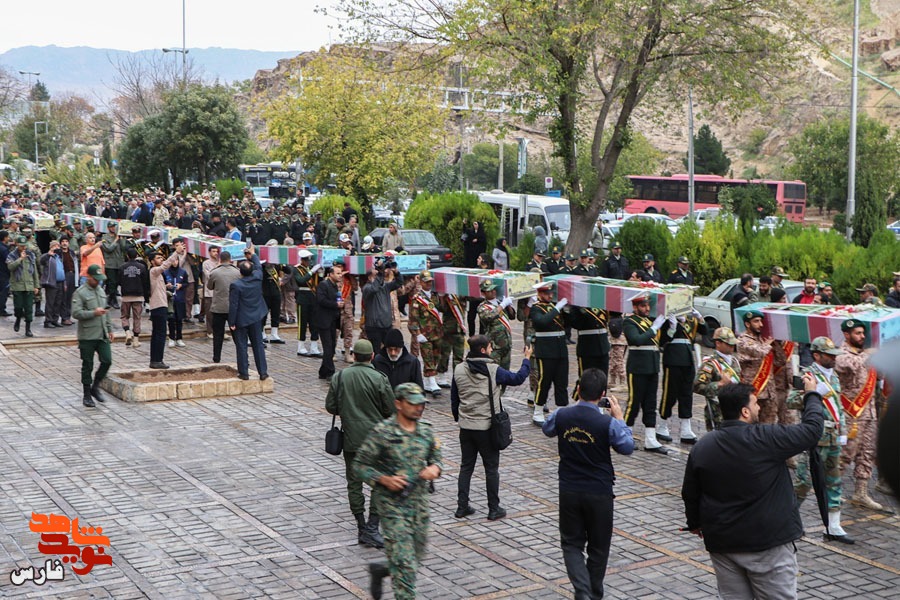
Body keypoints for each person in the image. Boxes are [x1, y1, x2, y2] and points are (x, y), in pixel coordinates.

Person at [681, 380, 824, 600]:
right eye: (755, 403)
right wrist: (812, 394)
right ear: (745, 411)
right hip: (768, 544)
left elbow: (690, 492)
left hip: (723, 543)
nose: (759, 407)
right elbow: (812, 430)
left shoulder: (703, 446)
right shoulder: (767, 438)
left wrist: (695, 523)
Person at [542, 368, 634, 600]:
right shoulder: (607, 423)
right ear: (602, 394)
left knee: (571, 544)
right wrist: (619, 418)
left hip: (569, 489)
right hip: (599, 491)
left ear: (578, 390)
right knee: (599, 548)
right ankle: (592, 593)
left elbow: (547, 429)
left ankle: (584, 592)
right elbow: (627, 447)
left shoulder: (562, 415)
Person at [355, 382, 443, 600]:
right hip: (392, 506)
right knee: (405, 564)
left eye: (421, 404)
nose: (418, 408)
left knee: (416, 556)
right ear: (398, 404)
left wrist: (435, 468)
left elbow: (436, 457)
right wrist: (384, 479)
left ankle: (383, 569)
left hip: (419, 504)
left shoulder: (426, 430)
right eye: (413, 404)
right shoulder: (383, 432)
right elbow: (359, 465)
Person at [326, 338, 396, 550]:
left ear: (354, 356)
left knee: (354, 484)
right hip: (376, 442)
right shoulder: (379, 378)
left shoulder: (340, 377)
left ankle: (361, 527)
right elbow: (390, 410)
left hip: (351, 440)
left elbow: (331, 406)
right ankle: (372, 528)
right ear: (372, 356)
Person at [451, 336, 532, 521]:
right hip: (487, 428)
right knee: (491, 469)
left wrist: (459, 418)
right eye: (489, 347)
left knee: (466, 467)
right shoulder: (493, 370)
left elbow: (454, 398)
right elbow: (518, 378)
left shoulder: (459, 369)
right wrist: (526, 359)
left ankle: (462, 507)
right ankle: (493, 508)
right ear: (482, 350)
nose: (491, 349)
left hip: (466, 427)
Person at [789, 336, 854, 544]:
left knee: (834, 481)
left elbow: (838, 407)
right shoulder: (807, 375)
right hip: (814, 438)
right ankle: (789, 521)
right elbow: (791, 401)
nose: (833, 358)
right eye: (829, 355)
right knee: (803, 482)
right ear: (816, 355)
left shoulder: (833, 376)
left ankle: (833, 526)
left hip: (833, 437)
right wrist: (813, 392)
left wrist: (843, 430)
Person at [834, 319, 886, 511]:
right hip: (851, 415)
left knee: (867, 453)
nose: (862, 336)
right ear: (846, 335)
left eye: (863, 333)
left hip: (870, 412)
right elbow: (850, 365)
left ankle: (860, 493)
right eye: (857, 333)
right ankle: (831, 490)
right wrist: (868, 354)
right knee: (845, 454)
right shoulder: (840, 353)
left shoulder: (865, 354)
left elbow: (879, 376)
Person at [623, 294, 668, 453]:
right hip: (638, 367)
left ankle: (650, 439)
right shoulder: (629, 322)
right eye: (643, 306)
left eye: (648, 305)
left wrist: (672, 327)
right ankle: (624, 434)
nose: (647, 308)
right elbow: (636, 339)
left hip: (652, 367)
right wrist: (654, 328)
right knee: (634, 402)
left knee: (650, 404)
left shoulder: (650, 321)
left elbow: (661, 342)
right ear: (635, 307)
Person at [658, 309, 707, 444]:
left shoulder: (691, 320)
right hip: (673, 360)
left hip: (688, 360)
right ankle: (662, 424)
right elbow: (662, 341)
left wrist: (700, 317)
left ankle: (686, 428)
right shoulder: (668, 319)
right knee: (670, 393)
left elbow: (705, 331)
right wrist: (672, 328)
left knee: (687, 394)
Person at [71, 264, 115, 408]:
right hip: (87, 335)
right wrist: (93, 313)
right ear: (88, 277)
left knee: (107, 360)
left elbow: (106, 311)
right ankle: (87, 394)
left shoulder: (101, 290)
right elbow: (76, 313)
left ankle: (95, 387)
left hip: (102, 334)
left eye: (99, 279)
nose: (97, 281)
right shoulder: (80, 293)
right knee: (87, 365)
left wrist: (110, 329)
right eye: (95, 278)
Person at [737, 309, 787, 424]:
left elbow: (781, 361)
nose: (761, 324)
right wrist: (768, 344)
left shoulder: (763, 340)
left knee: (768, 425)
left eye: (761, 321)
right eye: (756, 321)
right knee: (751, 425)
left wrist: (776, 344)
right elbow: (759, 352)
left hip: (769, 392)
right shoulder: (742, 340)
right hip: (754, 391)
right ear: (747, 324)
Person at [529, 280, 569, 424]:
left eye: (551, 293)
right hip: (545, 350)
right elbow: (542, 322)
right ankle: (538, 411)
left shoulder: (554, 306)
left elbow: (568, 324)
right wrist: (557, 308)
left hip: (560, 349)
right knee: (544, 381)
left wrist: (568, 311)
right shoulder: (536, 308)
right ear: (539, 294)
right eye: (546, 293)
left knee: (562, 382)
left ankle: (562, 410)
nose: (550, 295)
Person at [228, 251, 269, 381]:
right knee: (258, 345)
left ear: (240, 272)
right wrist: (253, 254)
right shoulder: (257, 277)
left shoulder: (236, 285)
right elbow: (258, 266)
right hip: (256, 317)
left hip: (241, 319)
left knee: (242, 346)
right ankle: (263, 372)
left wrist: (231, 322)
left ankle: (244, 372)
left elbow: (233, 305)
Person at [693, 327, 742, 431]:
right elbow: (697, 386)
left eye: (733, 344)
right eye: (728, 344)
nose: (732, 346)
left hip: (735, 409)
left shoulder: (734, 361)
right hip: (718, 412)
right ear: (718, 343)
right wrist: (719, 384)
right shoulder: (710, 363)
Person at [408, 270, 443, 395]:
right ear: (421, 282)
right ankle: (432, 381)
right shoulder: (417, 298)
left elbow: (441, 309)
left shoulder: (435, 296)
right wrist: (417, 334)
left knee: (436, 356)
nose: (428, 284)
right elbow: (413, 318)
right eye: (426, 282)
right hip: (425, 333)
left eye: (430, 282)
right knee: (428, 357)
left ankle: (428, 380)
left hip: (437, 332)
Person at [206, 251, 241, 363]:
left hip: (218, 307)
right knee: (237, 336)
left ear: (220, 259)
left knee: (218, 334)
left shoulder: (215, 272)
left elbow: (210, 286)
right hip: (233, 308)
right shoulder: (237, 272)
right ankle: (242, 357)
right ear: (230, 259)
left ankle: (216, 358)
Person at [362, 260, 404, 353]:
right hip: (374, 327)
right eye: (376, 276)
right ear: (369, 277)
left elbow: (399, 283)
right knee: (376, 352)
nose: (379, 278)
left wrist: (396, 273)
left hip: (386, 325)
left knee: (388, 350)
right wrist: (380, 273)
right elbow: (374, 288)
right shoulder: (366, 288)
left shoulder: (385, 287)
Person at [314, 261, 344, 380]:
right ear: (331, 274)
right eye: (338, 273)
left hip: (333, 320)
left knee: (332, 346)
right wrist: (335, 304)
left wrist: (339, 304)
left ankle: (323, 371)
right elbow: (321, 300)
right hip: (324, 320)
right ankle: (331, 372)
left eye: (341, 273)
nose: (340, 275)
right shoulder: (323, 285)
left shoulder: (335, 286)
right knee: (328, 347)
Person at [476, 280, 514, 371]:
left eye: (494, 289)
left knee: (505, 373)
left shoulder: (499, 302)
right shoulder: (482, 307)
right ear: (483, 293)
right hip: (494, 346)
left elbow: (512, 316)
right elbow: (489, 316)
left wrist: (508, 305)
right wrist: (503, 305)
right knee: (494, 372)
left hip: (506, 344)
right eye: (489, 291)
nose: (493, 292)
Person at [6, 236, 40, 337]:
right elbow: (10, 267)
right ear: (17, 244)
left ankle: (28, 329)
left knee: (29, 308)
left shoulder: (31, 255)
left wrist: (36, 286)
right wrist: (20, 259)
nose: (23, 248)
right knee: (18, 307)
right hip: (17, 285)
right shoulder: (12, 255)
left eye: (24, 246)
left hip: (29, 285)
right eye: (21, 246)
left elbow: (35, 272)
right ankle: (18, 318)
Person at [294, 250, 323, 356]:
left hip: (313, 299)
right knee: (302, 323)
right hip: (303, 299)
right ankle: (300, 347)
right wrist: (311, 272)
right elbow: (301, 280)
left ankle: (314, 347)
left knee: (314, 323)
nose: (308, 262)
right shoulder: (297, 269)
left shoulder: (311, 269)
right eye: (306, 260)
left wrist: (320, 274)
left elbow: (319, 283)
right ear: (302, 260)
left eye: (309, 260)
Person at [119, 247, 150, 348]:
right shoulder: (142, 267)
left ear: (127, 256)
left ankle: (127, 332)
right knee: (137, 318)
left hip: (126, 296)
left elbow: (119, 281)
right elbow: (145, 282)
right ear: (136, 256)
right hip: (138, 296)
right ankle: (136, 340)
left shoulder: (122, 267)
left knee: (124, 316)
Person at [437, 291, 467, 387]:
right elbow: (441, 308)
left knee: (459, 356)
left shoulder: (462, 293)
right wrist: (442, 297)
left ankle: (457, 378)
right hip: (448, 330)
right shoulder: (446, 294)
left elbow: (475, 298)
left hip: (460, 330)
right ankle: (441, 377)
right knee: (444, 354)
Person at [39, 240, 66, 328]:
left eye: (58, 246)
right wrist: (48, 254)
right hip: (51, 282)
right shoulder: (48, 257)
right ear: (51, 247)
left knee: (58, 302)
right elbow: (41, 261)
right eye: (55, 246)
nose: (57, 248)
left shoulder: (59, 257)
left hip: (60, 282)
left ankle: (55, 320)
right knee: (50, 302)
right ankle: (48, 321)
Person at [164, 251, 189, 348]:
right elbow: (161, 284)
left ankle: (179, 338)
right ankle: (171, 338)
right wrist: (167, 286)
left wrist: (181, 285)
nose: (175, 262)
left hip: (180, 298)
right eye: (173, 260)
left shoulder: (183, 272)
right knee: (171, 319)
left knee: (179, 319)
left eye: (176, 260)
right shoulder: (165, 272)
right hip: (169, 299)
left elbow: (186, 283)